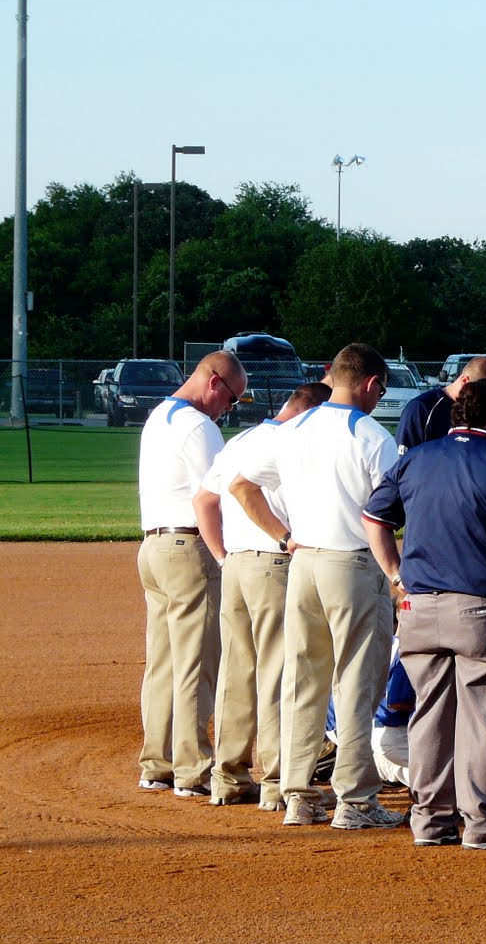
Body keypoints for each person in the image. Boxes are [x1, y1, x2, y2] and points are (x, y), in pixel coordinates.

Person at [363, 375, 486, 846]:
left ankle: (430, 822)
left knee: (429, 714)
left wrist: (396, 576)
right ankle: (485, 824)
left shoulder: (415, 458)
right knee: (484, 717)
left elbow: (374, 519)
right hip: (483, 610)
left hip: (418, 608)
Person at [231, 343, 402, 831]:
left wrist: (283, 536)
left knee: (303, 680)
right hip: (352, 564)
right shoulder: (371, 434)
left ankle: (298, 796)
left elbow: (242, 485)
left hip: (302, 562)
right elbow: (386, 514)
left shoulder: (295, 426)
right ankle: (355, 801)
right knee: (356, 682)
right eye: (380, 389)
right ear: (369, 384)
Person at [194, 380, 330, 810]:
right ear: (311, 412)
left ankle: (229, 777)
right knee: (279, 674)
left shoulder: (243, 438)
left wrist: (222, 557)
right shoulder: (296, 441)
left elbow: (203, 500)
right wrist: (288, 539)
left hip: (236, 563)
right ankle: (275, 782)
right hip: (275, 562)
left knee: (238, 673)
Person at [135, 351, 242, 799]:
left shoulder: (159, 415)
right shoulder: (200, 427)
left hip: (153, 547)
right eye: (232, 399)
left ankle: (156, 764)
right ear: (214, 383)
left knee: (163, 663)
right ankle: (192, 768)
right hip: (188, 549)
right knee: (197, 662)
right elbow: (217, 496)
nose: (230, 409)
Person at [394, 354, 486, 453]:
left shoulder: (482, 410)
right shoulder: (422, 407)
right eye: (483, 391)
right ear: (465, 381)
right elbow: (404, 462)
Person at [372, 638, 414, 790]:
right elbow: (398, 701)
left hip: (370, 736)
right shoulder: (409, 643)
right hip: (395, 732)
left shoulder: (379, 643)